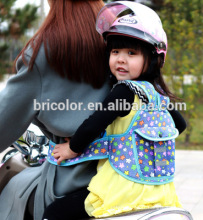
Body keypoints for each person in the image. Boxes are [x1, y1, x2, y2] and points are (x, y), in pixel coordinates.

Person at [42, 1, 187, 219]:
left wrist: (72, 148)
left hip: (122, 190)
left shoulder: (125, 91)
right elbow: (180, 125)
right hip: (159, 191)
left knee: (54, 213)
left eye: (131, 53)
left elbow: (94, 123)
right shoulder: (158, 97)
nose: (120, 59)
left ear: (153, 60)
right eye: (115, 51)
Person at [0, 1, 110, 220]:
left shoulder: (44, 50)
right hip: (125, 178)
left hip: (72, 181)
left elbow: (4, 123)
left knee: (10, 187)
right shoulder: (120, 37)